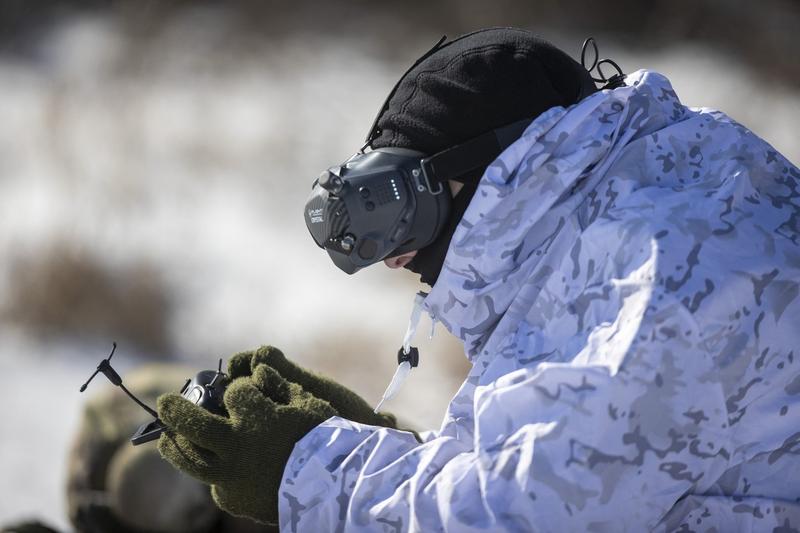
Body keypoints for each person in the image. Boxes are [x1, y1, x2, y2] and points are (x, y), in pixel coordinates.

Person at [155, 28, 800, 531]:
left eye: (395, 213)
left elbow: (526, 515)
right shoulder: (642, 205)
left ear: (490, 176)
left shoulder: (664, 272)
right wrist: (391, 449)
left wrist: (309, 470)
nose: (390, 259)